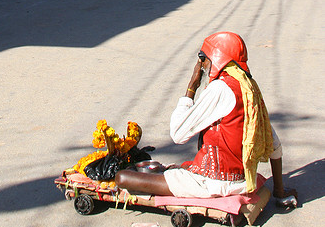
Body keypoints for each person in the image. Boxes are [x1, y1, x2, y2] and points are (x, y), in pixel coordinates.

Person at [115, 32, 296, 203]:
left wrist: (192, 84)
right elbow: (274, 142)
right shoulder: (249, 88)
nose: (202, 65)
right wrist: (279, 192)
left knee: (122, 177)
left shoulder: (220, 89)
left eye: (204, 59)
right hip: (241, 180)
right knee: (177, 167)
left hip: (213, 183)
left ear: (217, 59)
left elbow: (178, 134)